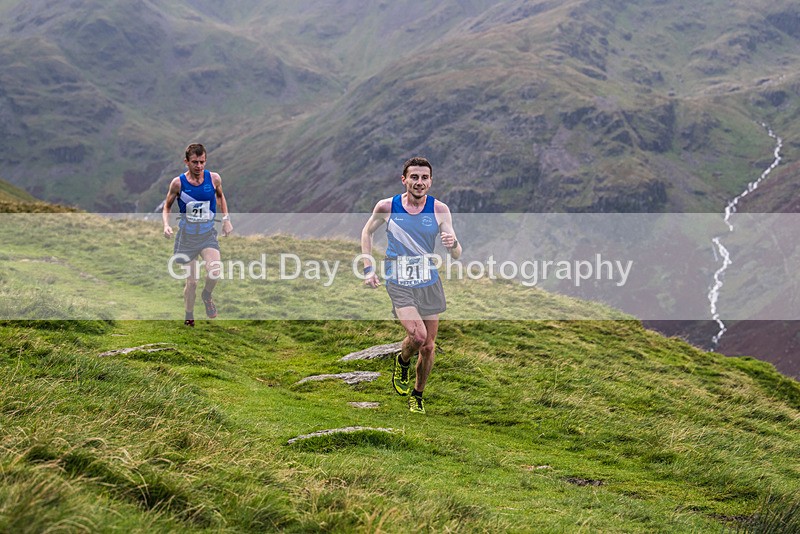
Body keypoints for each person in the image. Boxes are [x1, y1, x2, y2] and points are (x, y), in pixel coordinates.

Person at [361, 156, 462, 414]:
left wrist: (453, 246)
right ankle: (403, 358)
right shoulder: (387, 206)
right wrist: (368, 268)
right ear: (404, 179)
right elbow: (367, 232)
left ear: (431, 181)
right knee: (417, 337)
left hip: (428, 280)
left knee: (429, 346)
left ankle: (417, 395)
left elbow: (457, 252)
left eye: (424, 177)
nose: (419, 182)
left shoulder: (440, 209)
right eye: (414, 177)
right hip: (399, 279)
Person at [162, 143, 233, 326]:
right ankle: (189, 315)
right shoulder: (178, 183)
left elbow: (220, 197)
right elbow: (167, 206)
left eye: (202, 162)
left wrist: (226, 219)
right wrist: (166, 225)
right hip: (187, 237)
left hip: (207, 234)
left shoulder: (214, 178)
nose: (199, 166)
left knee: (215, 272)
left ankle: (207, 295)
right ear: (186, 162)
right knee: (192, 282)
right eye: (195, 162)